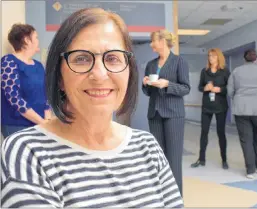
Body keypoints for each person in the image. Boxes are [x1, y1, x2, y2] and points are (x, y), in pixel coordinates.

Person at [1, 8, 183, 208]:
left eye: (113, 58)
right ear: (59, 76)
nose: (99, 74)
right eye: (81, 58)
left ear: (129, 71)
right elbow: (13, 97)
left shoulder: (148, 147)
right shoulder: (27, 154)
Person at [142, 29, 190, 195]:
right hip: (154, 114)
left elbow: (185, 88)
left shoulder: (179, 62)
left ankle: (176, 198)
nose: (151, 44)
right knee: (158, 158)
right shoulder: (151, 64)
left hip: (173, 114)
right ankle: (161, 194)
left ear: (162, 41)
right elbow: (148, 92)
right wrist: (146, 83)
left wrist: (167, 85)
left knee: (174, 159)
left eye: (153, 40)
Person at [1, 23, 51, 138]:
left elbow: (46, 94)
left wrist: (47, 120)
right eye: (36, 37)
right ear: (26, 40)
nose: (38, 40)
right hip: (16, 125)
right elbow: (14, 98)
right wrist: (42, 122)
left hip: (40, 125)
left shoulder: (38, 65)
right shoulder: (8, 62)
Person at [227, 49, 257, 179]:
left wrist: (239, 97)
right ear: (256, 59)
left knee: (246, 140)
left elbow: (230, 91)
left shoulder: (236, 71)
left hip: (242, 109)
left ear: (244, 59)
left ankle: (250, 170)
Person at [191, 48, 230, 170]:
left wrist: (220, 89)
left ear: (218, 57)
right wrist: (206, 88)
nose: (210, 58)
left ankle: (224, 159)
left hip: (220, 106)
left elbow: (230, 88)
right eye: (209, 56)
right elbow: (199, 87)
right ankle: (201, 159)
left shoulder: (225, 71)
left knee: (221, 133)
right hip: (207, 107)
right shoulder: (205, 71)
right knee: (204, 133)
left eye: (213, 56)